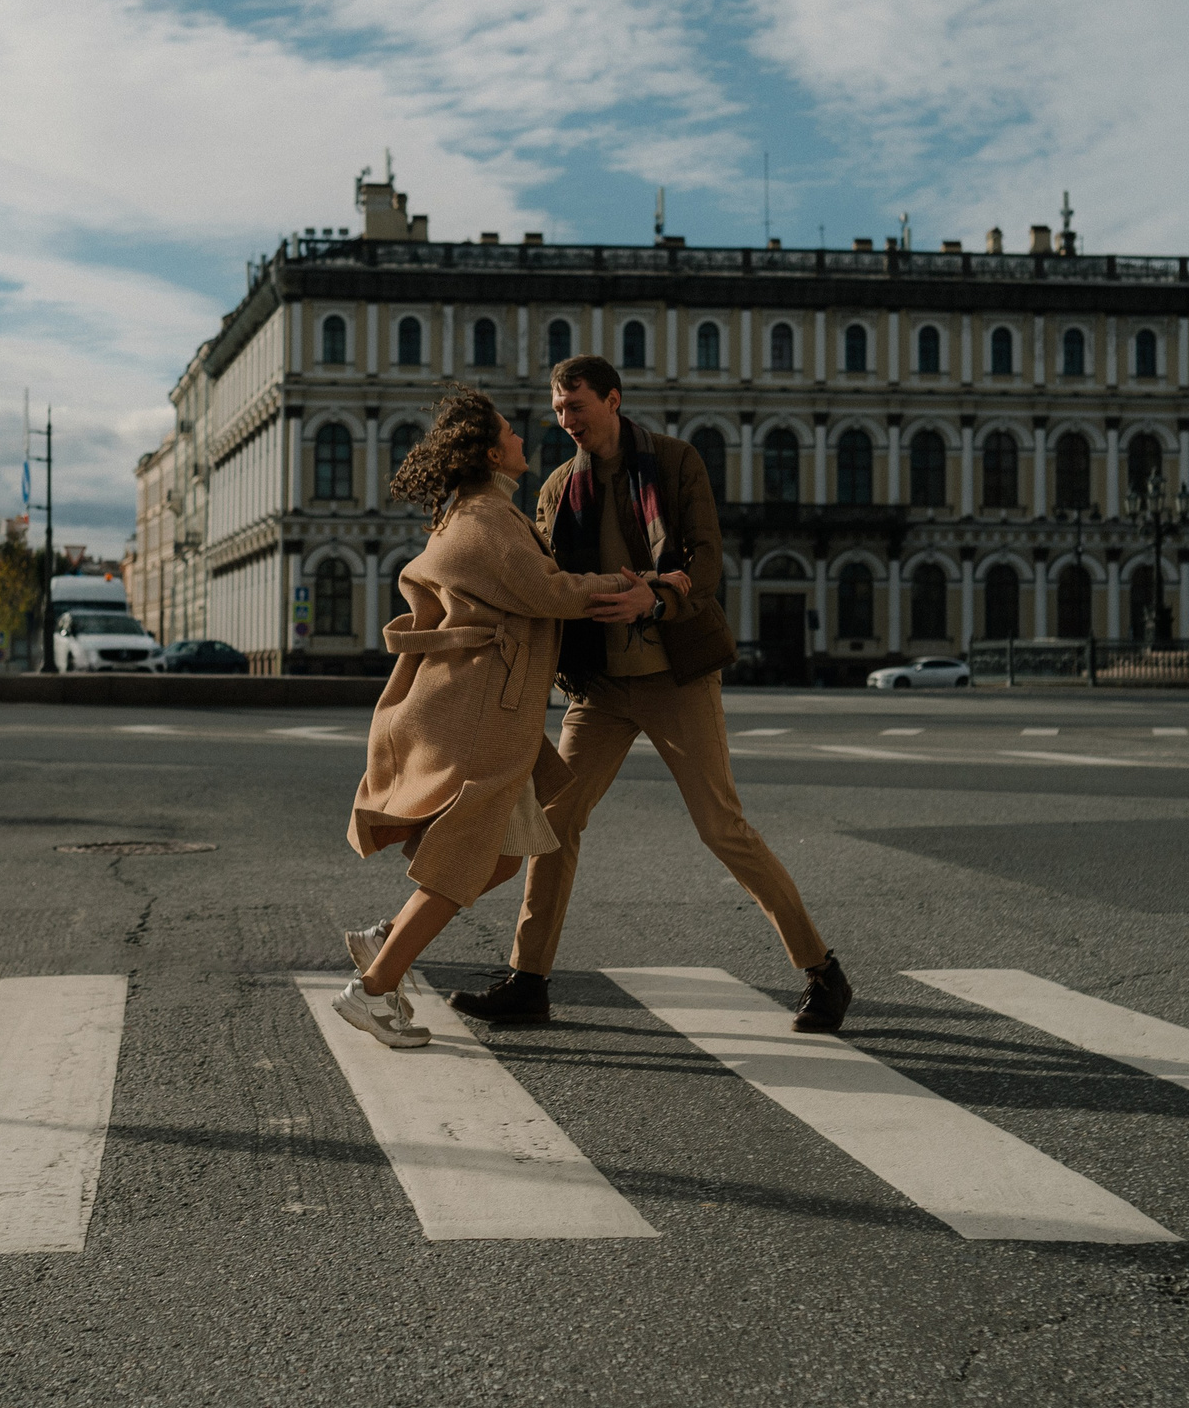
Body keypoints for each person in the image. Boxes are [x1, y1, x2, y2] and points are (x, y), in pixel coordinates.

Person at [449, 354, 854, 1033]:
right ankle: (529, 978)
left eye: (576, 406)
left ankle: (822, 970)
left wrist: (657, 594)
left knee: (721, 826)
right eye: (557, 409)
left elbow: (705, 557)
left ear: (612, 399)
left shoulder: (674, 461)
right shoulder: (555, 488)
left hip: (675, 676)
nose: (565, 420)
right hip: (600, 688)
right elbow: (540, 576)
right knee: (554, 822)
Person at [332, 386, 665, 1048]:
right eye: (511, 433)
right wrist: (629, 588)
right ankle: (372, 991)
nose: (523, 439)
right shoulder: (484, 521)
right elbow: (547, 590)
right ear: (491, 452)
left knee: (507, 856)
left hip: (488, 706)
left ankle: (389, 938)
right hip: (485, 713)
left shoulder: (484, 514)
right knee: (463, 860)